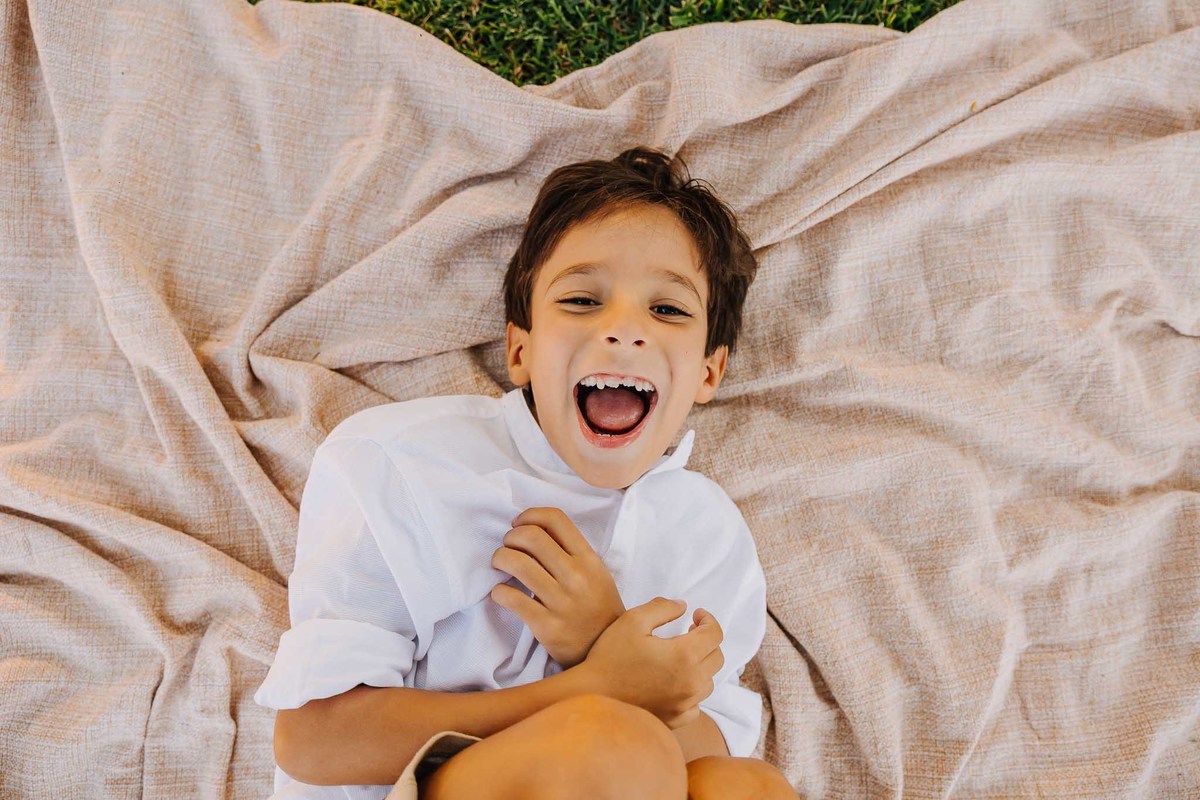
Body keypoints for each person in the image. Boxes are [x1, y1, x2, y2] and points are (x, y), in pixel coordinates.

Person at [254, 147, 798, 799]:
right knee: (614, 743)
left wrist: (602, 639)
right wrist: (596, 684)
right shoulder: (407, 462)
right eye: (582, 300)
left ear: (709, 371)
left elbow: (711, 753)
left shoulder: (708, 534)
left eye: (668, 310)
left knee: (750, 786)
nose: (625, 330)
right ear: (522, 350)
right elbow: (312, 741)